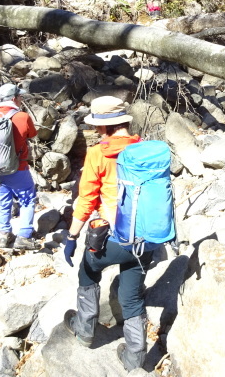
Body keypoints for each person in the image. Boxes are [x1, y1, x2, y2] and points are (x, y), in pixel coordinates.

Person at [62, 96, 153, 372]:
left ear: (104, 128)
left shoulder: (99, 153)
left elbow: (87, 199)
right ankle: (136, 356)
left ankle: (85, 328)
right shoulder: (146, 150)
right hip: (146, 238)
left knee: (88, 271)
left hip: (113, 238)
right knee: (132, 295)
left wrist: (71, 237)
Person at [0, 83, 39, 250]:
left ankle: (4, 235)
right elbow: (32, 134)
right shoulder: (21, 117)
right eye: (20, 97)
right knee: (27, 200)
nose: (21, 99)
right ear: (14, 99)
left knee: (3, 201)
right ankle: (24, 236)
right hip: (18, 167)